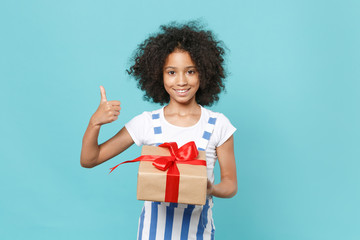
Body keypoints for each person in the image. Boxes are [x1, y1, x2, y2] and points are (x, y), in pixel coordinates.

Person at [80, 21, 237, 240]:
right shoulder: (146, 123)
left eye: (190, 71)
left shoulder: (218, 124)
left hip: (198, 233)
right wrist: (94, 124)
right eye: (171, 72)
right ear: (158, 75)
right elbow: (90, 159)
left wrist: (211, 189)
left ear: (204, 73)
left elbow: (230, 184)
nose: (181, 81)